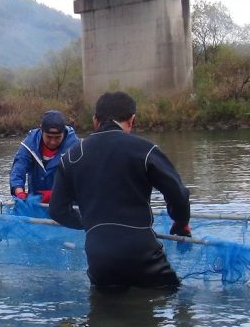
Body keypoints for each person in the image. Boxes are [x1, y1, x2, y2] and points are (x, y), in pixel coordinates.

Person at [48, 91, 191, 292]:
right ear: (132, 120)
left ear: (95, 121)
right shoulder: (144, 149)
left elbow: (57, 210)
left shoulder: (71, 157)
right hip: (142, 253)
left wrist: (90, 224)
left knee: (105, 312)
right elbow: (179, 194)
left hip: (99, 258)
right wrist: (181, 221)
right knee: (172, 297)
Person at [9, 109, 79, 203]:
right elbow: (18, 169)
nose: (53, 142)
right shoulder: (29, 144)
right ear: (41, 130)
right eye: (49, 137)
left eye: (57, 137)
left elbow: (82, 181)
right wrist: (19, 192)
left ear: (64, 132)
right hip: (36, 203)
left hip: (66, 205)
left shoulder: (76, 148)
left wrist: (55, 194)